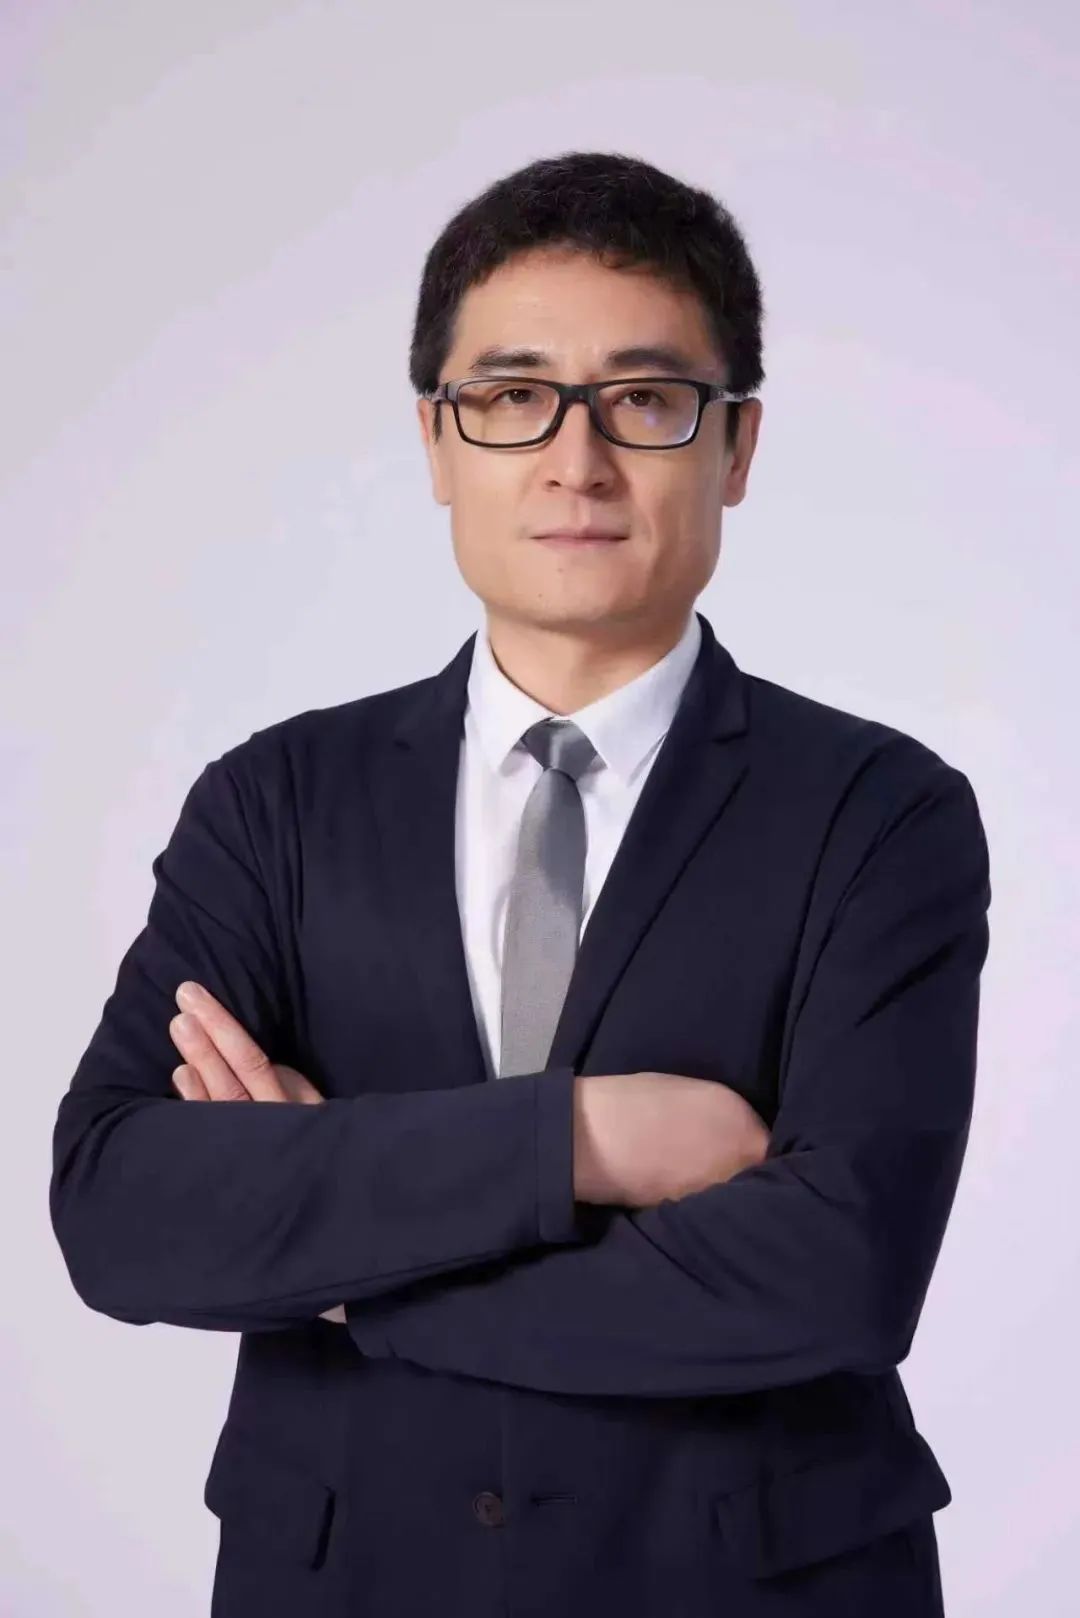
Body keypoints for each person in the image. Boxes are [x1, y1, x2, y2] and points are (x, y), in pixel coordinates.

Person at [49, 150, 991, 1618]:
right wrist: (576, 1142)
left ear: (737, 444)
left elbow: (836, 1275)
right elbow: (123, 1207)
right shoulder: (276, 803)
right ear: (438, 441)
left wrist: (343, 1268)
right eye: (511, 398)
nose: (577, 460)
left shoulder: (881, 813)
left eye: (646, 399)